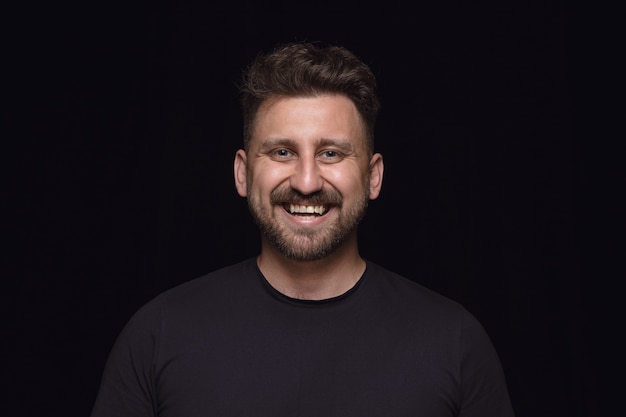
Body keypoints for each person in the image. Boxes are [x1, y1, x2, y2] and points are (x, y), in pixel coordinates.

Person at [90, 41, 515, 416]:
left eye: (330, 153)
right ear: (242, 173)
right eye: (282, 152)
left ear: (373, 176)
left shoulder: (454, 342)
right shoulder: (158, 335)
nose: (306, 181)